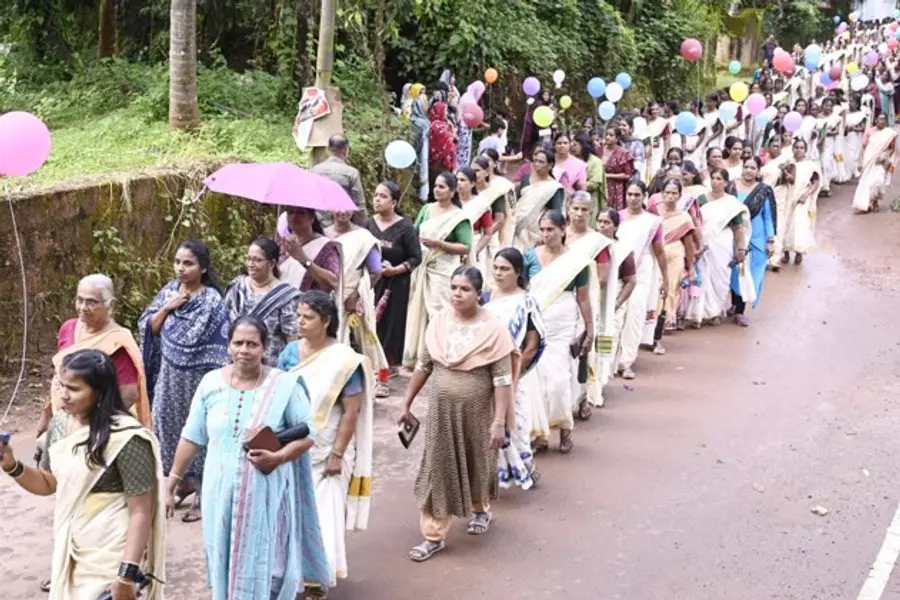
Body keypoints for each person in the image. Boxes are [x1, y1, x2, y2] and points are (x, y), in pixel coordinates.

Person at [165, 316, 331, 600]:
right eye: (238, 343)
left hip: (265, 494)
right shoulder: (210, 383)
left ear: (264, 347)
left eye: (252, 344)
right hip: (218, 493)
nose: (244, 350)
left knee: (262, 561)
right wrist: (171, 484)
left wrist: (278, 457)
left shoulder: (283, 386)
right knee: (221, 558)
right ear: (228, 346)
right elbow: (192, 436)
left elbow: (308, 434)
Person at [3, 349, 166, 600]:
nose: (64, 396)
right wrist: (12, 466)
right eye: (61, 385)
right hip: (73, 547)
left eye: (74, 389)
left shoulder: (127, 438)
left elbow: (141, 511)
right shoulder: (60, 425)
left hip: (112, 551)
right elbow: (48, 483)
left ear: (100, 392)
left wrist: (126, 574)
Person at [399, 266, 515, 562]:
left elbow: (502, 380)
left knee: (476, 461)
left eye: (464, 289)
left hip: (477, 415)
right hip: (441, 414)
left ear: (478, 293)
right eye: (453, 288)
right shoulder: (438, 323)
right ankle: (433, 535)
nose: (457, 294)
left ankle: (480, 509)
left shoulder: (494, 330)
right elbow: (424, 366)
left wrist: (499, 422)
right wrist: (406, 403)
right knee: (439, 467)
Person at [277, 291, 374, 593]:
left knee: (323, 516)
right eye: (298, 316)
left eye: (307, 317)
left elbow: (351, 409)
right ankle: (292, 575)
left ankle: (317, 580)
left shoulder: (344, 360)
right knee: (291, 512)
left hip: (328, 444)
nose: (300, 322)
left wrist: (337, 454)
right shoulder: (290, 353)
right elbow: (278, 396)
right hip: (293, 444)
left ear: (327, 321)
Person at [139, 239, 229, 523]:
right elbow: (149, 327)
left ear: (202, 268)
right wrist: (168, 308)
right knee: (166, 425)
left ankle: (203, 493)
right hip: (169, 376)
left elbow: (203, 340)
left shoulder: (211, 300)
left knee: (199, 432)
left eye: (188, 263)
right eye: (177, 262)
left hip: (198, 378)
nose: (180, 268)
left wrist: (171, 318)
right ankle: (181, 483)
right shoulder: (169, 292)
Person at [38, 274, 150, 439]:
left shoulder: (117, 342)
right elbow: (60, 377)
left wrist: (90, 428)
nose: (83, 307)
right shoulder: (68, 328)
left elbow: (129, 394)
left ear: (110, 304)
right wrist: (47, 414)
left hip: (95, 429)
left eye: (91, 302)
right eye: (79, 300)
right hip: (63, 419)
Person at [524, 210, 598, 452]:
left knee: (558, 381)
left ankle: (565, 427)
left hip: (563, 322)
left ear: (562, 229)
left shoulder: (576, 261)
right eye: (543, 230)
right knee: (535, 380)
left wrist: (589, 328)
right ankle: (540, 436)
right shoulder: (530, 258)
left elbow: (583, 298)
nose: (546, 235)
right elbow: (522, 292)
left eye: (551, 230)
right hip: (536, 321)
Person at [484, 248, 546, 490]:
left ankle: (524, 466)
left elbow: (531, 344)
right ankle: (493, 473)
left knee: (515, 422)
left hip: (514, 372)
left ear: (517, 272)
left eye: (505, 269)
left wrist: (514, 376)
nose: (499, 273)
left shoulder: (526, 302)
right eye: (496, 268)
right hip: (486, 370)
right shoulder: (487, 299)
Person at [403, 172, 473, 367]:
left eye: (442, 187)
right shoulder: (426, 209)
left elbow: (465, 247)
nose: (436, 190)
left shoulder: (458, 217)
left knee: (441, 312)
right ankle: (422, 356)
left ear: (452, 192)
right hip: (424, 267)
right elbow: (413, 233)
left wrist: (439, 244)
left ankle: (444, 354)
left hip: (444, 270)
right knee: (421, 311)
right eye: (435, 186)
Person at [326, 210, 391, 398]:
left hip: (351, 298)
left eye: (346, 208)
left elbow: (376, 270)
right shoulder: (323, 234)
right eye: (337, 207)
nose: (342, 212)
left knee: (362, 339)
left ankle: (375, 380)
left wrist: (356, 295)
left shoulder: (363, 237)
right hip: (325, 296)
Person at [566, 193, 617, 409]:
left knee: (584, 346)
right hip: (560, 301)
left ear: (590, 212)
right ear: (569, 209)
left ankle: (584, 395)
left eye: (584, 210)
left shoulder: (597, 243)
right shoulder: (559, 234)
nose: (579, 214)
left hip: (586, 301)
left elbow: (602, 278)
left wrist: (583, 294)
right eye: (575, 208)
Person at [364, 182, 421, 371]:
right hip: (371, 283)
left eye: (383, 196)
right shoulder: (368, 224)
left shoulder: (405, 227)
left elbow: (416, 257)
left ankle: (386, 370)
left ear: (394, 202)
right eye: (375, 195)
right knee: (369, 324)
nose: (377, 200)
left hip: (395, 285)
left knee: (391, 326)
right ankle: (369, 365)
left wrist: (395, 270)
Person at [615, 181, 668, 380]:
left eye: (637, 195)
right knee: (617, 314)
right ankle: (610, 359)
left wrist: (666, 279)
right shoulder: (617, 217)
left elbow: (660, 251)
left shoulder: (652, 222)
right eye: (629, 194)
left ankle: (626, 361)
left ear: (644, 196)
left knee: (635, 314)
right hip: (619, 269)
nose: (633, 198)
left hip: (642, 269)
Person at [226, 237, 301, 366]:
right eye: (248, 259)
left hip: (270, 367)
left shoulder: (286, 296)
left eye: (257, 260)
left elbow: (292, 338)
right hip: (236, 361)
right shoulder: (237, 288)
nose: (250, 264)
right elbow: (225, 324)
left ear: (271, 264)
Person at [689, 169, 749, 327]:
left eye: (719, 179)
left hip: (722, 242)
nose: (715, 181)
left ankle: (716, 311)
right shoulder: (700, 199)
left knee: (720, 278)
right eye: (713, 178)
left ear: (726, 183)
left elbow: (738, 228)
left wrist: (741, 249)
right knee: (701, 277)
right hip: (702, 242)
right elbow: (693, 221)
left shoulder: (731, 204)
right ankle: (698, 314)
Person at [651, 179, 696, 352]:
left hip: (674, 258)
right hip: (655, 257)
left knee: (668, 294)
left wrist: (690, 267)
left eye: (674, 193)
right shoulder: (654, 213)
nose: (670, 197)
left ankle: (657, 338)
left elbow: (689, 245)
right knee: (653, 292)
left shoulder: (684, 218)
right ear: (661, 194)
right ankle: (647, 332)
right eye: (667, 193)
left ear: (679, 196)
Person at [731, 157, 776, 326]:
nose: (749, 170)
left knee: (748, 273)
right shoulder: (731, 187)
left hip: (756, 238)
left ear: (758, 171)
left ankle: (740, 311)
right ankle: (735, 303)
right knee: (734, 273)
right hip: (734, 236)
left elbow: (767, 217)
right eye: (746, 167)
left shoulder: (763, 191)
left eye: (753, 167)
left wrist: (770, 240)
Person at [596, 208, 637, 387]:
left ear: (616, 226)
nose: (602, 226)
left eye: (607, 223)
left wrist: (617, 303)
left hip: (613, 302)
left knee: (607, 340)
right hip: (593, 302)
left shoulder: (623, 251)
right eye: (600, 221)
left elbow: (631, 281)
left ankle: (601, 379)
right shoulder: (590, 246)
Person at [503, 145, 565, 250]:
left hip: (537, 235)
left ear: (550, 165)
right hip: (516, 229)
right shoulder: (526, 179)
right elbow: (518, 203)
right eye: (535, 161)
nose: (537, 164)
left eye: (541, 162)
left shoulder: (553, 187)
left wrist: (545, 233)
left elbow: (555, 214)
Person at [280, 207, 342, 293]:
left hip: (310, 303)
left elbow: (333, 282)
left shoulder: (326, 246)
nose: (294, 217)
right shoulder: (281, 244)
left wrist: (303, 260)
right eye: (291, 212)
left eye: (301, 213)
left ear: (312, 218)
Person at [311, 134, 367, 227]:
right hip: (342, 227)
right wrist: (362, 229)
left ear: (327, 150)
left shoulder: (314, 171)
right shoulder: (351, 173)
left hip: (317, 227)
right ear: (346, 151)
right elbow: (359, 206)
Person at [781, 139, 821, 266]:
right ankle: (785, 252)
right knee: (785, 223)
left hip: (802, 198)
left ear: (805, 150)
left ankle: (799, 252)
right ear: (793, 149)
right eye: (796, 147)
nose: (799, 150)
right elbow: (787, 181)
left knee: (799, 224)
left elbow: (815, 182)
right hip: (788, 197)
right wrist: (785, 173)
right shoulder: (788, 163)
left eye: (801, 148)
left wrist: (806, 195)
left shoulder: (810, 165)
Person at [852, 112, 898, 212]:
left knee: (878, 183)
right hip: (868, 161)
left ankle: (875, 201)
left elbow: (892, 149)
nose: (882, 121)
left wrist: (884, 156)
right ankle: (865, 204)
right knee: (867, 183)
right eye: (880, 119)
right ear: (876, 120)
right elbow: (863, 147)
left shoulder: (890, 133)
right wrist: (860, 161)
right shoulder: (869, 131)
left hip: (881, 162)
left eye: (884, 119)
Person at [572, 133, 608, 220]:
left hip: (590, 198)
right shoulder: (572, 159)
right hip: (573, 199)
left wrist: (579, 185)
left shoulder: (596, 162)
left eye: (575, 145)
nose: (573, 147)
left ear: (583, 145)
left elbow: (595, 182)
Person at [598, 127, 635, 210]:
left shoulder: (623, 153)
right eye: (606, 134)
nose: (607, 137)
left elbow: (627, 175)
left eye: (611, 135)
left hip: (617, 189)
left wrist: (607, 176)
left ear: (617, 138)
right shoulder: (599, 150)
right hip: (601, 187)